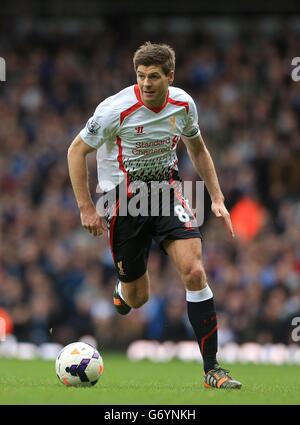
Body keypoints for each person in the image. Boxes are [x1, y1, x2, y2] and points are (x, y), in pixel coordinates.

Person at [67, 42, 242, 389]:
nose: (146, 83)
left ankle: (212, 370)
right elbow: (76, 151)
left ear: (169, 77)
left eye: (154, 77)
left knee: (194, 272)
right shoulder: (113, 110)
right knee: (137, 298)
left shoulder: (183, 104)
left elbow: (197, 148)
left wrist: (217, 197)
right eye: (141, 76)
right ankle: (123, 287)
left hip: (167, 192)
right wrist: (86, 207)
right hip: (123, 201)